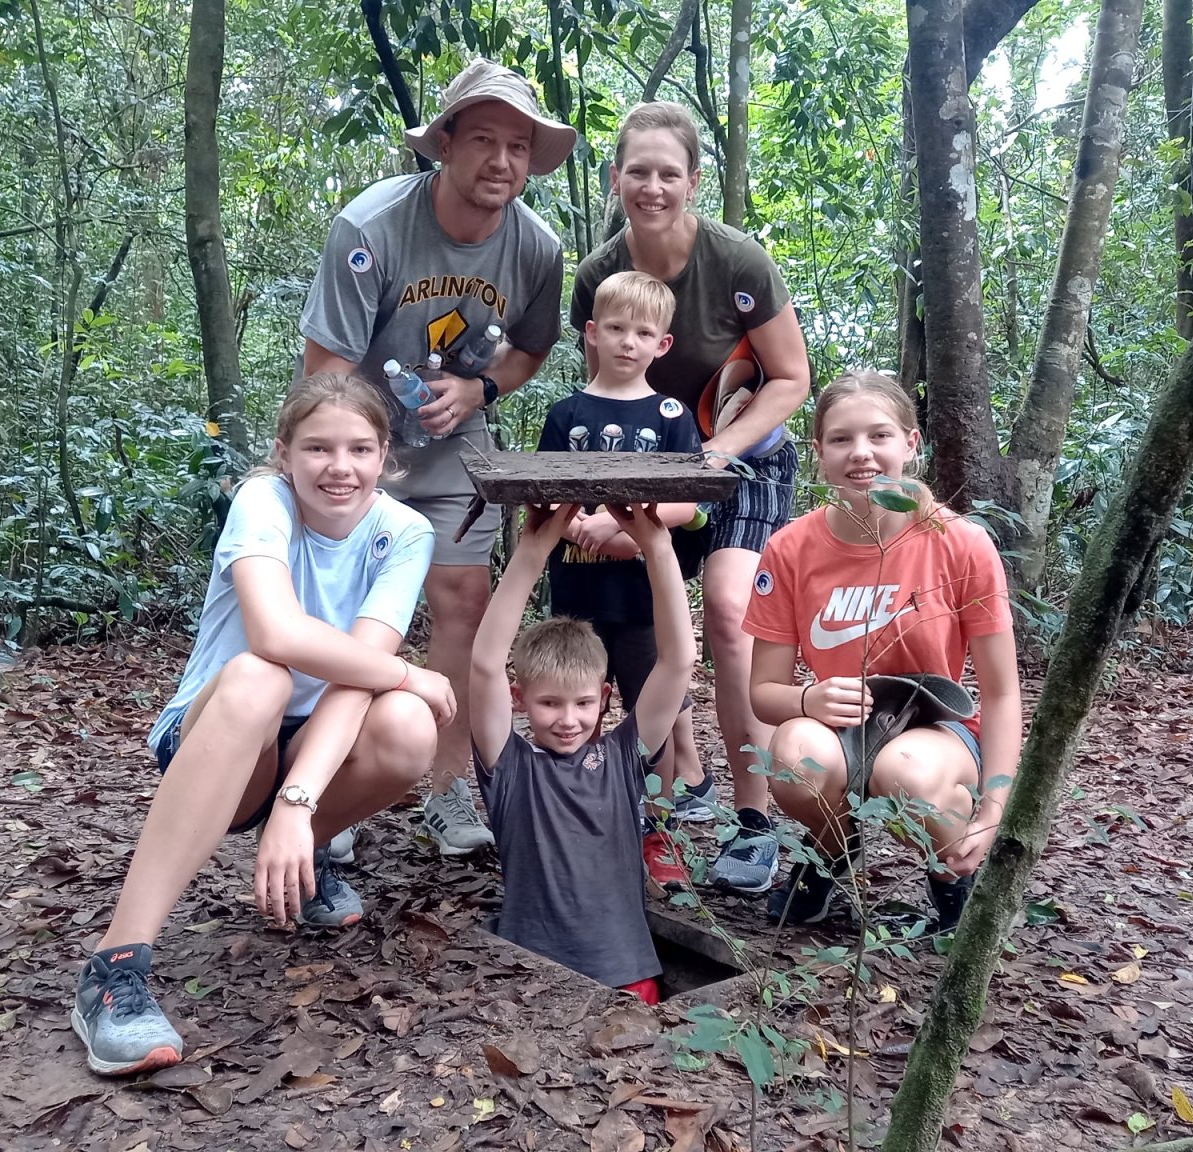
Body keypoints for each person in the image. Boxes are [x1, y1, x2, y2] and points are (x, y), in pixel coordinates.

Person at [71, 373, 455, 1076]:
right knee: (261, 675)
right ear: (284, 453)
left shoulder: (404, 532)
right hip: (222, 731)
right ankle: (113, 967)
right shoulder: (262, 500)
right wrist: (406, 669)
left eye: (359, 449)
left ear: (385, 457)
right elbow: (274, 633)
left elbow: (357, 678)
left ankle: (301, 856)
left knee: (407, 725)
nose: (339, 468)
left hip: (316, 745)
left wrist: (298, 807)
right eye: (317, 448)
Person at [301, 58, 574, 856]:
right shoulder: (371, 228)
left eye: (519, 146)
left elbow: (530, 347)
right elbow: (326, 372)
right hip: (353, 444)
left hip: (455, 450)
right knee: (345, 612)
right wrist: (360, 461)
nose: (501, 162)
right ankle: (333, 784)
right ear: (444, 144)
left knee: (463, 601)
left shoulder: (536, 247)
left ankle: (450, 791)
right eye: (483, 139)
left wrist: (479, 392)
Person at [570, 100, 811, 894]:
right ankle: (680, 784)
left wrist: (715, 454)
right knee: (637, 623)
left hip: (740, 459)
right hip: (642, 468)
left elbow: (790, 379)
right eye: (637, 171)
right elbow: (596, 387)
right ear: (616, 178)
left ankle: (752, 819)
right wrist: (599, 506)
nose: (651, 185)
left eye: (667, 172)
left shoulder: (738, 264)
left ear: (693, 180)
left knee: (730, 616)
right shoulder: (598, 275)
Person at [741, 371, 1023, 927]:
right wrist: (807, 701)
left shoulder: (959, 542)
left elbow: (1002, 691)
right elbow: (763, 692)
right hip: (837, 723)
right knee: (794, 758)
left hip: (937, 731)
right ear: (818, 451)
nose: (861, 454)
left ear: (910, 444)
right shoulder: (791, 548)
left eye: (879, 436)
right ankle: (832, 853)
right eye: (841, 439)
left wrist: (994, 808)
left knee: (907, 772)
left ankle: (954, 874)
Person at [469, 501, 696, 1004]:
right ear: (519, 698)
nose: (567, 719)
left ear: (605, 699)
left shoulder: (621, 758)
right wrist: (532, 551)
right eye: (549, 703)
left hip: (630, 977)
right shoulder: (510, 767)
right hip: (529, 980)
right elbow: (485, 663)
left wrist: (658, 548)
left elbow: (679, 660)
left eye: (583, 703)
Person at [533, 270, 704, 887]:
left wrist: (626, 531)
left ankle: (656, 828)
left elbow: (689, 501)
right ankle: (574, 817)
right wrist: (576, 522)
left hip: (644, 599)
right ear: (591, 334)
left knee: (648, 711)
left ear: (663, 344)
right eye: (615, 328)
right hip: (577, 595)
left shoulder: (671, 415)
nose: (627, 342)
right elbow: (545, 493)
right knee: (575, 707)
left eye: (643, 332)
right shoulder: (566, 413)